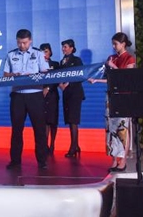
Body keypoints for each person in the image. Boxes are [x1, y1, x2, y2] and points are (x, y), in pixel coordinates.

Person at [3, 29, 50, 170]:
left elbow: (45, 73)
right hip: (17, 95)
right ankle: (15, 160)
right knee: (16, 129)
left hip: (35, 94)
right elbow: (5, 75)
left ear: (30, 41)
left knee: (39, 129)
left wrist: (45, 87)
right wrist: (13, 74)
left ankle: (42, 161)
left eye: (24, 42)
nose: (22, 45)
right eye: (19, 42)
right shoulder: (11, 55)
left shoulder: (38, 54)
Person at [90, 32, 136, 172]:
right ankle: (114, 159)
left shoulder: (129, 59)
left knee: (122, 128)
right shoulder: (112, 58)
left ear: (123, 44)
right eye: (113, 44)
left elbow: (126, 78)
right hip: (111, 97)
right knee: (110, 128)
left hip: (123, 97)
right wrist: (97, 80)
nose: (113, 46)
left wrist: (114, 67)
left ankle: (123, 160)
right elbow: (110, 79)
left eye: (116, 43)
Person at [58, 39, 85, 158]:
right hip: (66, 93)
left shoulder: (77, 60)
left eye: (65, 47)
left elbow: (81, 75)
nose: (64, 49)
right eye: (63, 47)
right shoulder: (61, 61)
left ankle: (73, 147)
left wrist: (68, 83)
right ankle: (76, 145)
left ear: (72, 48)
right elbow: (58, 75)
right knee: (69, 120)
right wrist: (61, 85)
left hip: (75, 93)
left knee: (74, 120)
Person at [40, 43, 60, 155]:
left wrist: (48, 88)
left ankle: (52, 144)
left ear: (50, 52)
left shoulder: (55, 64)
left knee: (53, 121)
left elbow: (57, 79)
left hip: (52, 95)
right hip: (40, 96)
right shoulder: (36, 64)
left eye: (46, 51)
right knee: (44, 121)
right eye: (42, 52)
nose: (44, 54)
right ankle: (45, 145)